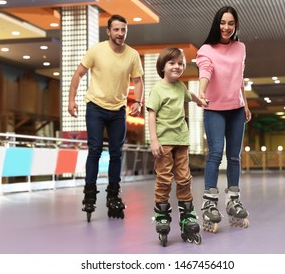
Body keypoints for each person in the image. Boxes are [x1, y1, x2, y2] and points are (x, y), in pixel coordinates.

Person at [68, 14, 144, 222]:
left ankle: (113, 195)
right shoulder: (96, 50)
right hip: (95, 107)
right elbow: (78, 74)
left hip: (118, 109)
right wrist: (71, 100)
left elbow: (138, 81)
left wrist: (137, 101)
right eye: (116, 30)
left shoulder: (132, 55)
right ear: (108, 31)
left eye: (123, 30)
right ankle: (90, 193)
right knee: (94, 150)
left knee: (116, 153)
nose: (120, 33)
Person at [196, 6, 251, 232]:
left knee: (235, 156)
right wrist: (201, 92)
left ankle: (233, 200)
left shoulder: (241, 48)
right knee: (216, 152)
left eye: (230, 23)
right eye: (222, 23)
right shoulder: (206, 49)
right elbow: (206, 71)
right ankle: (209, 202)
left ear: (235, 25)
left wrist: (245, 104)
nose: (226, 27)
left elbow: (239, 78)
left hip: (236, 108)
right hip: (214, 108)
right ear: (216, 24)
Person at [146, 47, 207, 247]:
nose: (177, 67)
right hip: (164, 142)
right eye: (172, 63)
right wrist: (153, 140)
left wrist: (200, 101)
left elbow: (189, 94)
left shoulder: (181, 87)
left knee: (184, 178)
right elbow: (152, 115)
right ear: (163, 66)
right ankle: (162, 215)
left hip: (182, 140)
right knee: (164, 178)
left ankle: (187, 216)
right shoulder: (157, 89)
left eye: (181, 63)